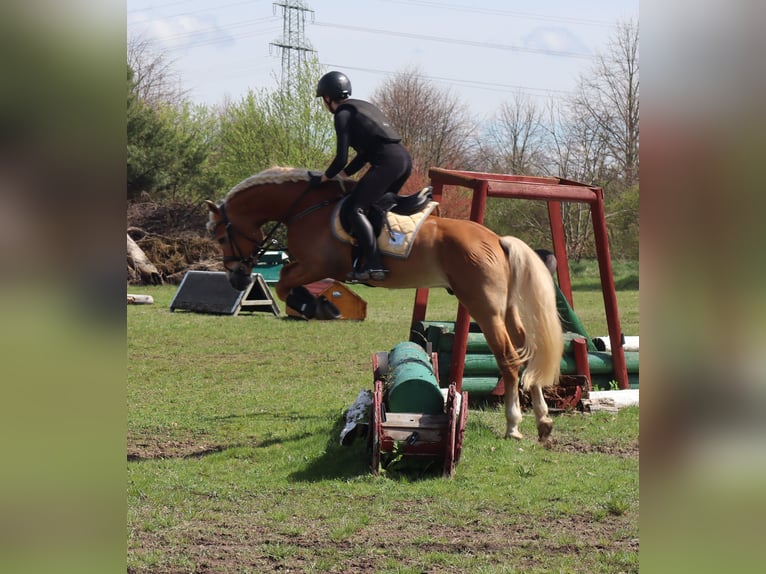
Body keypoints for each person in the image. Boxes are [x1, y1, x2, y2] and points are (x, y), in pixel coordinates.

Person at [310, 70, 412, 281]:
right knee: (374, 209)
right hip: (403, 160)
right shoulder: (363, 107)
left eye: (323, 100)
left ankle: (374, 265)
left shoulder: (342, 115)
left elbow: (341, 158)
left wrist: (324, 178)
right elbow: (363, 156)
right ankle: (371, 257)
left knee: (355, 210)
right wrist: (344, 175)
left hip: (387, 163)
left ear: (328, 98)